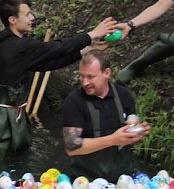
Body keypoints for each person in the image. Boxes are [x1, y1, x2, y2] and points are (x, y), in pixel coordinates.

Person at [0, 0, 117, 158]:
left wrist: (85, 51)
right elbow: (57, 48)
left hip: (5, 115)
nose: (32, 18)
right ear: (13, 19)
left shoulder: (8, 44)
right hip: (1, 120)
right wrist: (92, 34)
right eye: (27, 15)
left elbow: (48, 64)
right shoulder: (19, 46)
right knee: (1, 164)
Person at [61, 50, 150, 181]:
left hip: (124, 178)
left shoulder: (123, 95)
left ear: (106, 73)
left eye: (90, 77)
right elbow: (71, 147)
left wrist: (136, 134)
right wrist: (113, 140)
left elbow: (132, 120)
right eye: (82, 76)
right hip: (87, 182)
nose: (85, 82)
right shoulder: (74, 101)